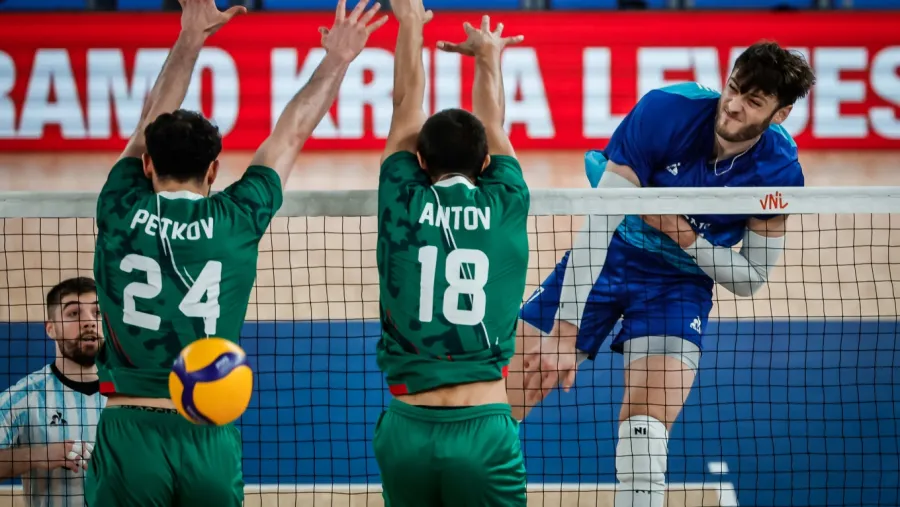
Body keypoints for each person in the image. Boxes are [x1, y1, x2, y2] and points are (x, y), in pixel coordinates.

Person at [84, 0, 387, 505]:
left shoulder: (118, 205)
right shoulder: (237, 218)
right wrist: (338, 59)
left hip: (128, 428)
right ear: (214, 170)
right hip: (209, 426)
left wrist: (191, 36)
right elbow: (291, 132)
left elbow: (146, 126)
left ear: (147, 165)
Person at [513, 42, 816, 507]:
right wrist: (565, 330)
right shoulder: (665, 110)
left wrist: (682, 234)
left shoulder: (779, 170)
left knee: (645, 439)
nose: (734, 105)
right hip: (610, 254)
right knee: (496, 401)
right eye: (734, 88)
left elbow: (751, 277)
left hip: (679, 284)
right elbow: (599, 224)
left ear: (781, 114)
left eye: (753, 101)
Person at [371, 2, 529, 505]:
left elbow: (404, 105)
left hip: (407, 429)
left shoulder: (401, 199)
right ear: (486, 162)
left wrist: (410, 23)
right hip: (484, 430)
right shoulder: (506, 202)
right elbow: (493, 123)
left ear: (419, 160)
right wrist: (487, 56)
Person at [0, 277, 105, 507]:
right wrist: (38, 455)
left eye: (97, 312)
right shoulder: (24, 397)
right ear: (51, 329)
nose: (89, 322)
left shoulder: (131, 394)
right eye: (74, 314)